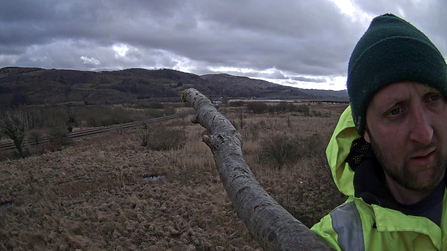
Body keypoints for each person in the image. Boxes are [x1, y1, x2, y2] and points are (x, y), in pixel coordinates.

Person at [310, 13, 447, 250]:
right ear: (366, 132)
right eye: (395, 111)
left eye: (433, 98)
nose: (425, 135)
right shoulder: (338, 238)